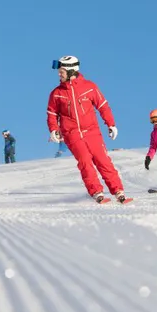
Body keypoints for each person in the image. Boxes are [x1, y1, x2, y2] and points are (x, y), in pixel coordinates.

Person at [46, 55, 131, 204]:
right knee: (85, 162)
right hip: (72, 134)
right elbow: (52, 113)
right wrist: (53, 129)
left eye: (62, 72)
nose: (59, 74)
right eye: (59, 72)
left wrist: (111, 124)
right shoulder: (57, 93)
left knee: (103, 160)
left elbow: (103, 106)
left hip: (92, 132)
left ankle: (118, 191)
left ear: (71, 71)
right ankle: (97, 192)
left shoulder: (89, 87)